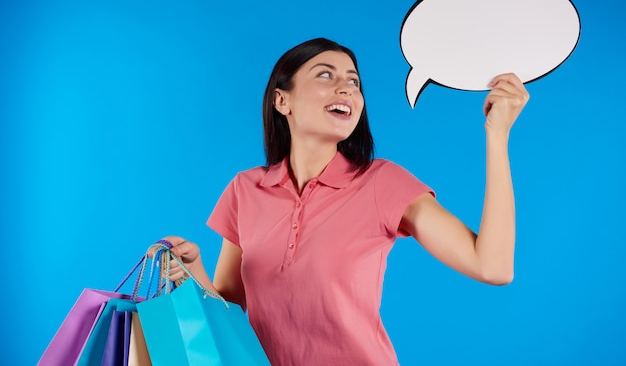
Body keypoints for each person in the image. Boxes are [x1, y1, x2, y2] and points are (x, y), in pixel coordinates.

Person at [159, 38, 529, 365]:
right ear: (281, 100)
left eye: (354, 81)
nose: (346, 89)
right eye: (326, 75)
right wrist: (194, 272)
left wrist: (497, 136)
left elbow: (493, 266)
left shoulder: (381, 182)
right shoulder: (246, 188)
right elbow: (230, 314)